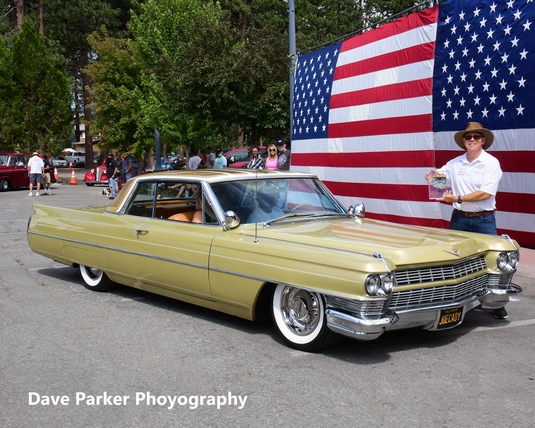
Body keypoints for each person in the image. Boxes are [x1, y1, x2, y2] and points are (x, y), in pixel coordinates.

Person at [426, 122, 506, 319]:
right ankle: (457, 301)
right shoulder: (455, 163)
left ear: (483, 140)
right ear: (463, 141)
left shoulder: (491, 163)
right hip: (460, 219)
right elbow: (440, 181)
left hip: (483, 219)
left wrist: (458, 198)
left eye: (476, 137)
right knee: (458, 262)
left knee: (492, 261)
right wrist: (432, 178)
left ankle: (497, 303)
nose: (472, 139)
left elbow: (485, 194)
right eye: (468, 137)